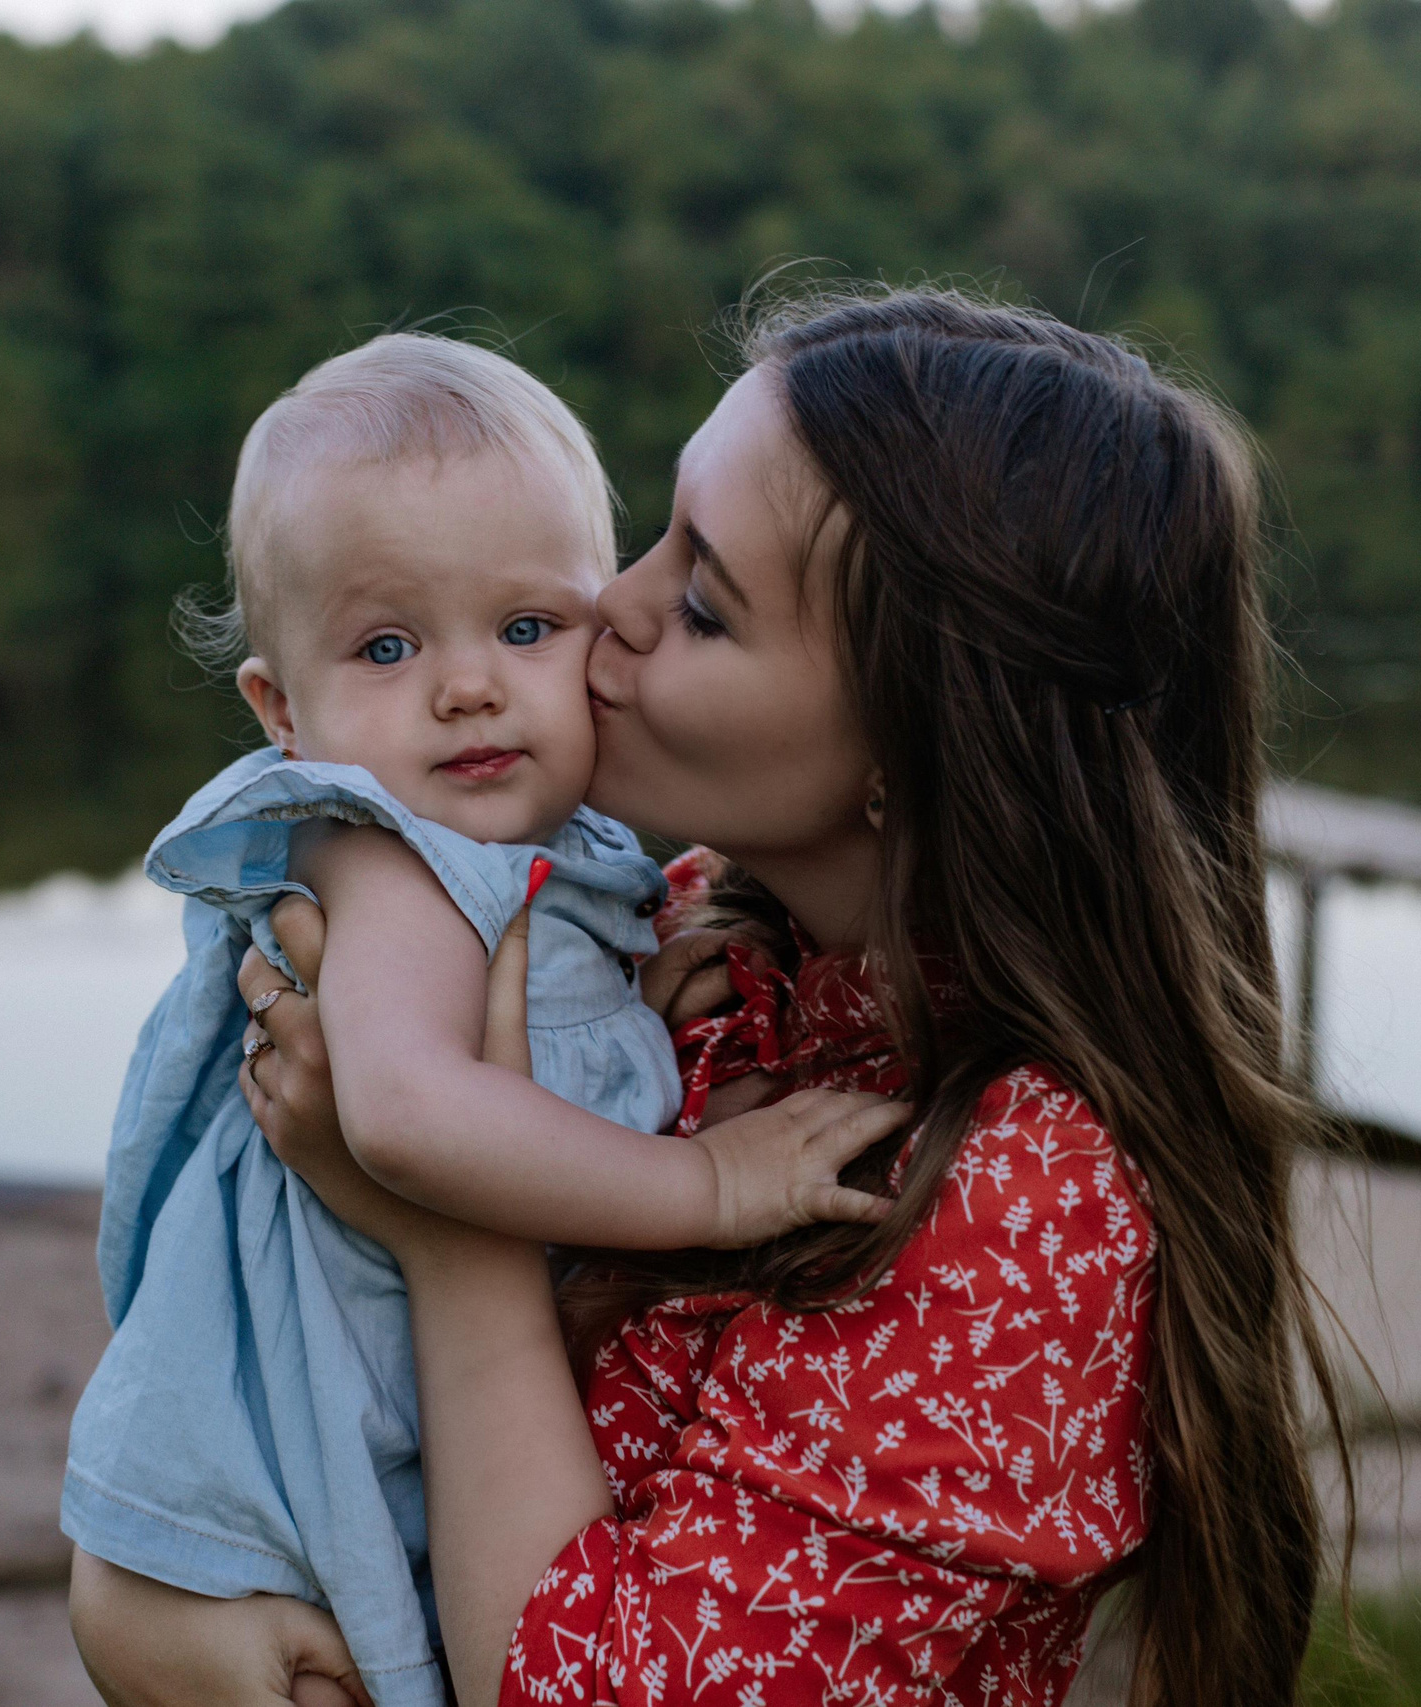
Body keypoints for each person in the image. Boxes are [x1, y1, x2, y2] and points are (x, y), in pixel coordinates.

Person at [71, 287, 1354, 1707]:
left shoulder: (1023, 1202)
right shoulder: (700, 940)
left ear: (912, 745)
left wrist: (452, 1239)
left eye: (698, 602)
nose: (601, 611)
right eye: (656, 535)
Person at [63, 332, 897, 1707]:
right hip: (290, 1496)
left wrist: (616, 1009)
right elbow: (403, 1109)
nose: (467, 686)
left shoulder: (556, 861)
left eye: (526, 627)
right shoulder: (386, 851)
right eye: (387, 646)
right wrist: (705, 1177)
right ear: (284, 711)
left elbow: (503, 1033)